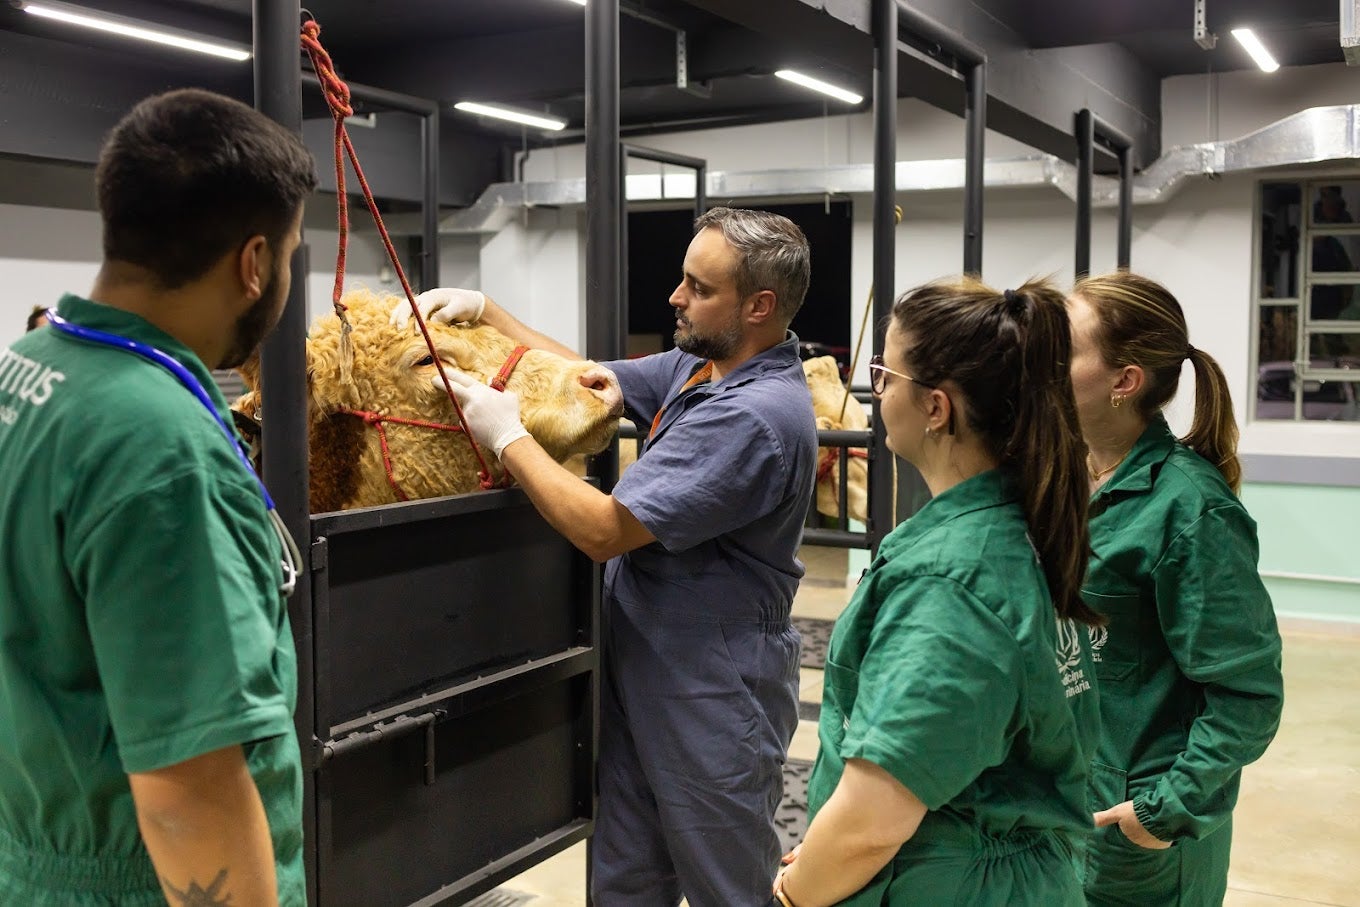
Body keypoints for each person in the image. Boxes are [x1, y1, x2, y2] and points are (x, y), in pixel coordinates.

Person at [395, 207, 818, 906]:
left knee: (727, 885)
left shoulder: (752, 415)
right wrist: (489, 312)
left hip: (713, 686)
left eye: (698, 287)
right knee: (624, 879)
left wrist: (507, 438)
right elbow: (578, 374)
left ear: (759, 306)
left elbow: (602, 528)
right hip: (644, 668)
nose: (676, 298)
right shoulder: (698, 367)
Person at [0, 88, 316, 906]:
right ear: (253, 265)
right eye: (288, 255)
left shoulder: (29, 371)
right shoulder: (160, 450)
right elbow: (189, 792)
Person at [771, 278, 1103, 907]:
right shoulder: (1012, 525)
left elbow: (873, 823)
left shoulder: (953, 582)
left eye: (884, 374)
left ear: (936, 408)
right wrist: (827, 847)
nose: (875, 390)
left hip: (946, 882)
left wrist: (791, 893)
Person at [1067, 271, 1284, 906]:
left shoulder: (1191, 511)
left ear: (1123, 381)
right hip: (1069, 804)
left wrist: (1164, 811)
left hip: (1137, 832)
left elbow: (1249, 695)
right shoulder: (1068, 479)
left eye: (1063, 349)